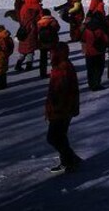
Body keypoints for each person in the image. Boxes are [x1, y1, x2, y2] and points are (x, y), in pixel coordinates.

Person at [45, 42, 82, 173]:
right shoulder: (61, 66)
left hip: (62, 109)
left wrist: (55, 107)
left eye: (51, 53)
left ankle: (69, 160)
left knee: (54, 137)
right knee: (59, 136)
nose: (50, 55)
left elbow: (62, 91)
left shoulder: (62, 67)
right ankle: (69, 159)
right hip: (63, 108)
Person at [15, 0, 42, 72]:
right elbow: (39, 19)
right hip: (30, 33)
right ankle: (29, 65)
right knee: (30, 51)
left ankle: (18, 64)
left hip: (23, 33)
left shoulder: (24, 7)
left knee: (23, 51)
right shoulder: (35, 8)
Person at [82, 12, 109, 91]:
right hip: (99, 52)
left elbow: (83, 39)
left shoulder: (86, 28)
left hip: (89, 52)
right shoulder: (100, 28)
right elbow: (106, 39)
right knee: (99, 69)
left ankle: (91, 84)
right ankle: (97, 83)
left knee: (90, 69)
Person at [36, 9, 61, 79]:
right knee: (54, 56)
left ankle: (42, 73)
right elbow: (57, 28)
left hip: (42, 43)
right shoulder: (53, 21)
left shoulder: (39, 22)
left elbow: (37, 31)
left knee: (43, 58)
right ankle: (55, 70)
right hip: (53, 42)